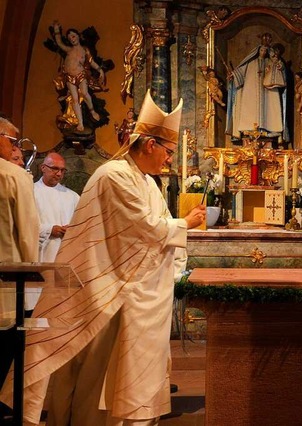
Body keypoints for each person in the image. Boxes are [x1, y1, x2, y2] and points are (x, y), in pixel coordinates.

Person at [0, 91, 206, 425]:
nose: (169, 159)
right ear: (150, 144)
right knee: (96, 375)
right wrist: (186, 223)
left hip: (135, 294)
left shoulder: (147, 182)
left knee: (124, 374)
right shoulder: (114, 175)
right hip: (105, 292)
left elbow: (152, 232)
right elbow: (143, 228)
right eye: (168, 151)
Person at [0, 118, 39, 392]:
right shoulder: (14, 175)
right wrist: (32, 268)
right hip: (7, 281)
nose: (16, 148)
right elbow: (27, 230)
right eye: (13, 141)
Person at [225, 33, 288, 143]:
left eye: (265, 51)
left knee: (271, 109)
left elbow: (280, 68)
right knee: (249, 109)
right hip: (251, 93)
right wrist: (233, 75)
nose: (263, 52)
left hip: (269, 92)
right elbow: (240, 71)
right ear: (258, 51)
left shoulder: (271, 62)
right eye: (261, 50)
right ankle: (249, 130)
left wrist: (278, 62)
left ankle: (270, 131)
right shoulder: (251, 62)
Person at [51, 21, 105, 132]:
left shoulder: (84, 50)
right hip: (69, 77)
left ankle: (92, 111)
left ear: (78, 37)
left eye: (73, 36)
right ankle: (80, 123)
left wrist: (100, 71)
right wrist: (56, 30)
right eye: (70, 38)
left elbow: (91, 62)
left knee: (85, 93)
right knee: (75, 99)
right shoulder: (69, 50)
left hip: (81, 75)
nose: (72, 39)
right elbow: (59, 43)